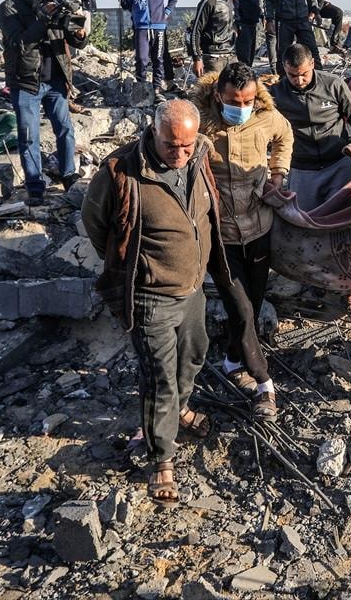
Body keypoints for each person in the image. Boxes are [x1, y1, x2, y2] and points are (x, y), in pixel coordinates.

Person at [82, 99, 255, 507]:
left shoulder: (199, 156)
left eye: (186, 145)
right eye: (170, 145)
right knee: (159, 376)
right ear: (153, 133)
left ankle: (180, 410)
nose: (179, 153)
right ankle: (161, 458)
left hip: (192, 289)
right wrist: (136, 267)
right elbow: (95, 224)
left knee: (193, 356)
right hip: (151, 297)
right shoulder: (120, 171)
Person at [192, 63, 293, 418]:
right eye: (234, 101)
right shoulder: (200, 121)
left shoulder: (265, 117)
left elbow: (285, 135)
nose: (242, 107)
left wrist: (278, 174)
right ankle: (264, 382)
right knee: (242, 308)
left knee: (253, 300)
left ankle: (232, 359)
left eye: (248, 100)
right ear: (218, 95)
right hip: (221, 236)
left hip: (258, 228)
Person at [271, 44, 351, 313]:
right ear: (284, 70)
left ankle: (348, 289)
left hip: (337, 165)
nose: (299, 80)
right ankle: (311, 281)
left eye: (304, 74)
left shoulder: (334, 85)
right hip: (302, 169)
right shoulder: (276, 95)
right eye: (292, 75)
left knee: (344, 228)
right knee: (306, 228)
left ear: (312, 65)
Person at [0, 0, 84, 205]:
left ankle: (69, 175)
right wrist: (43, 18)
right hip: (26, 82)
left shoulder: (53, 4)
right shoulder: (9, 7)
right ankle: (35, 186)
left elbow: (73, 38)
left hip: (55, 79)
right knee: (29, 136)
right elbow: (19, 43)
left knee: (65, 130)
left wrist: (79, 34)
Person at [118, 0, 178, 93]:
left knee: (158, 58)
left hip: (159, 27)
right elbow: (125, 4)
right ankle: (142, 88)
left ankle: (156, 88)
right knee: (141, 59)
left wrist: (166, 13)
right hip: (141, 27)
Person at [187, 0, 243, 76]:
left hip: (231, 56)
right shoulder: (209, 2)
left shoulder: (231, 2)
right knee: (213, 87)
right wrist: (197, 58)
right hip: (213, 59)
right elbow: (195, 31)